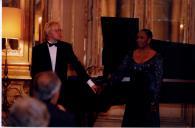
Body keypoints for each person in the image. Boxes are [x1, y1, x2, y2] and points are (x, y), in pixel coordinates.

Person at [31, 21, 100, 109]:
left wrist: (90, 83)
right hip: (43, 91)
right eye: (57, 30)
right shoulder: (37, 50)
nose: (60, 33)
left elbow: (77, 66)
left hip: (61, 90)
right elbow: (34, 72)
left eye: (60, 30)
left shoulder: (66, 47)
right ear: (49, 33)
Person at [111, 29, 163, 127]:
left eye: (141, 37)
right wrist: (107, 81)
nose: (138, 40)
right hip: (133, 96)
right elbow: (120, 72)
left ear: (149, 40)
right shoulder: (130, 54)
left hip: (148, 98)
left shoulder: (157, 57)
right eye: (137, 37)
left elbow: (158, 80)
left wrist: (154, 100)